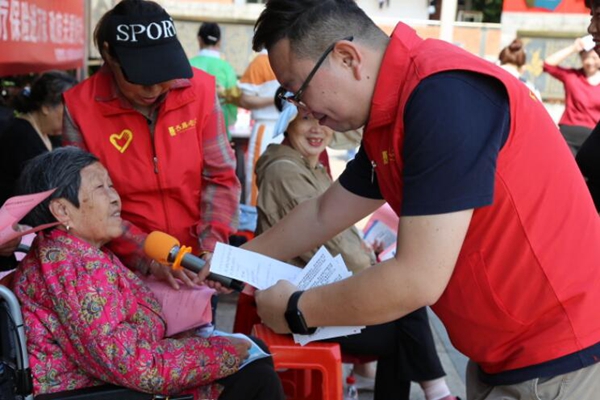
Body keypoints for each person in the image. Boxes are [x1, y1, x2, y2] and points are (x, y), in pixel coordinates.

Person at [200, 1, 600, 399]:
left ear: (346, 57)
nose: (303, 110)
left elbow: (416, 279)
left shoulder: (442, 96)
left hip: (561, 360)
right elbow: (323, 212)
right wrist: (231, 263)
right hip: (505, 357)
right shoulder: (393, 109)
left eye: (299, 91)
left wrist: (297, 310)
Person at [11, 147, 284, 399]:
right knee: (256, 375)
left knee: (254, 356)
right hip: (101, 392)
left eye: (111, 185)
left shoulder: (72, 253)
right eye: (100, 187)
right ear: (62, 210)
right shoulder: (73, 269)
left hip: (116, 380)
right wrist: (221, 353)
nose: (115, 197)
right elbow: (136, 366)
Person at [253, 88, 457, 399]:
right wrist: (370, 265)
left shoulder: (306, 163)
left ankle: (436, 391)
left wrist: (367, 256)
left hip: (311, 290)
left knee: (403, 305)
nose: (316, 129)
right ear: (288, 122)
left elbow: (335, 235)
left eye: (321, 119)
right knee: (402, 314)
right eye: (305, 119)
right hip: (296, 303)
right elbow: (332, 245)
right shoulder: (285, 171)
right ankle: (438, 391)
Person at [62, 0, 240, 289]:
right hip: (120, 268)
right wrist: (147, 254)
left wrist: (211, 248)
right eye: (140, 78)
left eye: (163, 75)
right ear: (109, 54)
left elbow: (220, 177)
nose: (154, 89)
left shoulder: (202, 92)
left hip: (197, 264)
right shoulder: (79, 108)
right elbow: (86, 202)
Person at [0, 71, 77, 206]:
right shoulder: (20, 136)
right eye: (67, 109)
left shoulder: (49, 135)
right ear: (46, 107)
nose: (70, 116)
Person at [237, 50, 282, 205]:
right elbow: (245, 98)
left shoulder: (261, 60)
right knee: (261, 179)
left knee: (262, 180)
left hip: (275, 128)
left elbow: (243, 99)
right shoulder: (262, 61)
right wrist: (275, 99)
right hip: (269, 126)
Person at [543, 36, 600, 154]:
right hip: (568, 135)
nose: (590, 62)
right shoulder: (572, 76)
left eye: (594, 58)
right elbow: (548, 64)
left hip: (593, 137)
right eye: (586, 57)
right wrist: (573, 48)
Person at [189, 22, 239, 139]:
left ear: (199, 39)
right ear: (219, 41)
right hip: (218, 127)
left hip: (191, 127)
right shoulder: (226, 68)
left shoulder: (188, 65)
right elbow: (234, 99)